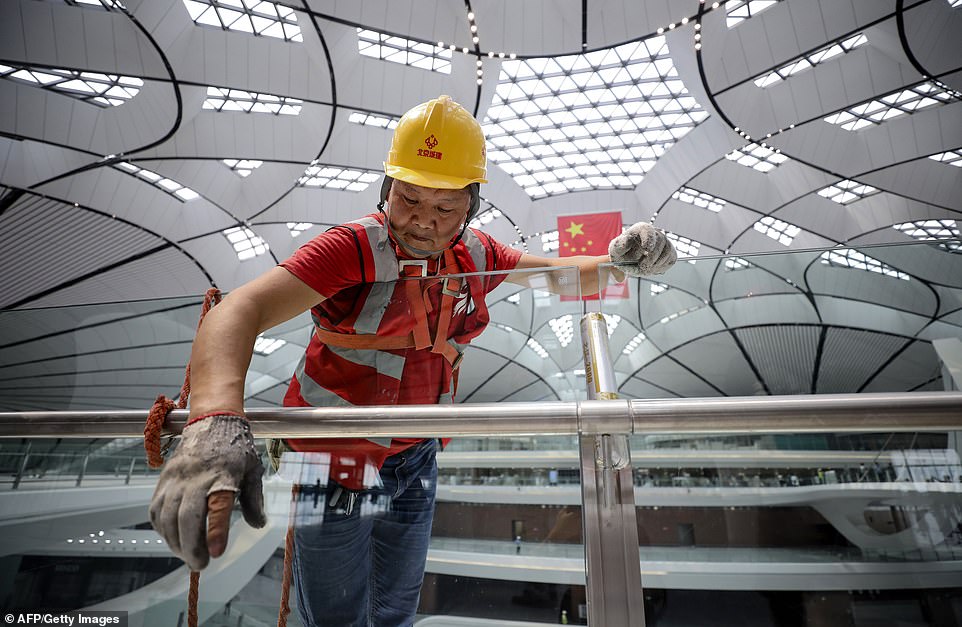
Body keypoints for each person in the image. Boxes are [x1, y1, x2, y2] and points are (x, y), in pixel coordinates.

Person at [148, 95, 676, 626]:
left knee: (396, 612)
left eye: (445, 207)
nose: (423, 222)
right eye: (409, 199)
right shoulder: (351, 247)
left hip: (416, 460)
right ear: (387, 189)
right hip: (335, 464)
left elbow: (560, 274)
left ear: (471, 206)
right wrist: (214, 421)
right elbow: (239, 309)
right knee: (335, 619)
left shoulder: (475, 254)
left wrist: (621, 258)